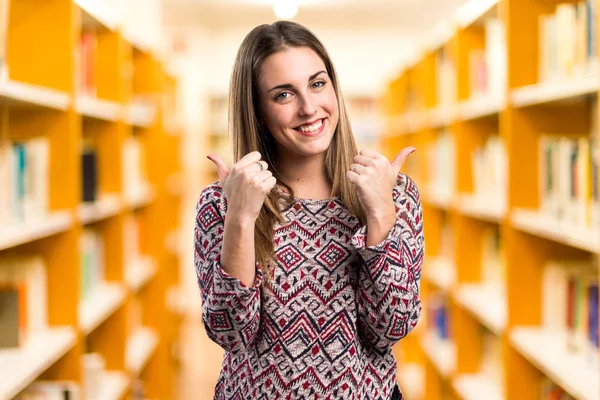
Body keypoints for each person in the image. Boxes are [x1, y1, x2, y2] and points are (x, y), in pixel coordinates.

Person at [194, 20, 424, 400]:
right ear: (258, 111)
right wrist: (240, 218)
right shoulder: (221, 202)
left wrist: (381, 215)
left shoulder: (393, 193)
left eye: (317, 84)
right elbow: (231, 335)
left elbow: (391, 329)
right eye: (283, 95)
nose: (308, 108)